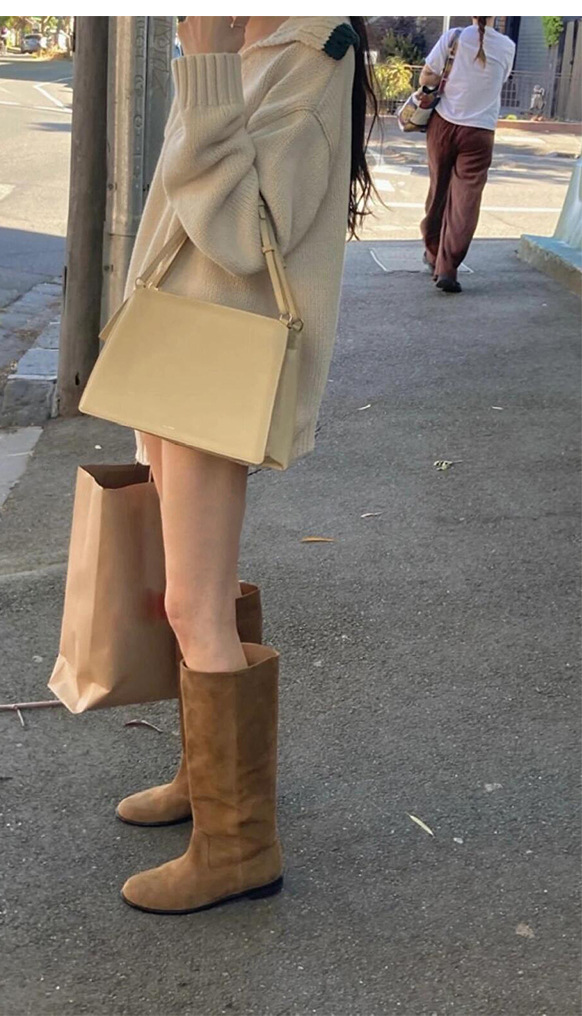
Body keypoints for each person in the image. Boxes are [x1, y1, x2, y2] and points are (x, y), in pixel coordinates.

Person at [112, 16, 377, 915]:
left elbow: (240, 232)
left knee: (191, 603)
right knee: (205, 593)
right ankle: (206, 780)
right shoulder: (242, 32)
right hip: (177, 344)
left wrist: (209, 67)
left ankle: (238, 846)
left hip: (219, 355)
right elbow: (177, 203)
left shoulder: (314, 48)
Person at [420, 17, 516, 293]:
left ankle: (432, 252)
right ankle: (448, 268)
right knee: (466, 202)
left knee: (438, 191)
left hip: (444, 125)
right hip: (480, 132)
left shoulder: (454, 37)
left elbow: (428, 75)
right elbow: (498, 80)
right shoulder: (507, 46)